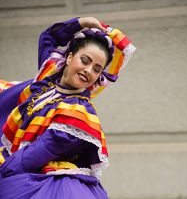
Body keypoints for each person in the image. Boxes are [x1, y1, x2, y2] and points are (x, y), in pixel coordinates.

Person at [0, 17, 136, 199]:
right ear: (70, 57)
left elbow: (39, 152)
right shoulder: (48, 76)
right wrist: (81, 22)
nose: (88, 71)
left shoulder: (78, 111)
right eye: (85, 60)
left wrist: (4, 169)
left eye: (97, 69)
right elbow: (48, 38)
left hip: (46, 185)